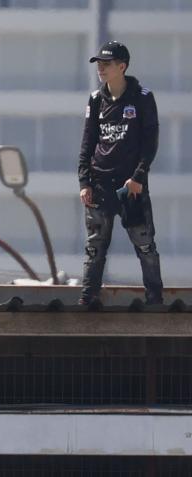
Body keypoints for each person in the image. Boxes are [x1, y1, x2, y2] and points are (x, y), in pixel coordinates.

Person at [78, 41, 162, 305]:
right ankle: (88, 296)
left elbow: (150, 142)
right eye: (98, 64)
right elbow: (88, 143)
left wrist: (138, 177)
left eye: (106, 64)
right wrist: (84, 181)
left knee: (145, 245)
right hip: (100, 184)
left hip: (130, 187)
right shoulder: (95, 99)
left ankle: (155, 298)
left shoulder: (143, 97)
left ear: (122, 66)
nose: (101, 69)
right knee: (94, 247)